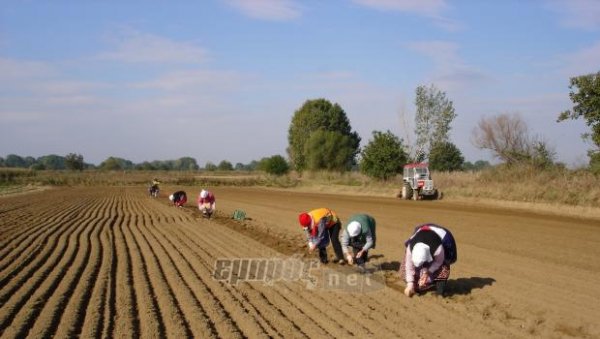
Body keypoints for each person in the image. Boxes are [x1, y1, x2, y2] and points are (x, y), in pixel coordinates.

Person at [399, 223, 457, 297]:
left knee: (444, 267)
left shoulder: (438, 249)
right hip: (422, 234)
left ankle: (439, 287)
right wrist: (410, 284)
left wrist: (428, 273)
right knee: (404, 270)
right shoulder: (410, 248)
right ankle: (415, 285)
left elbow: (438, 262)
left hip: (443, 241)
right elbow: (409, 267)